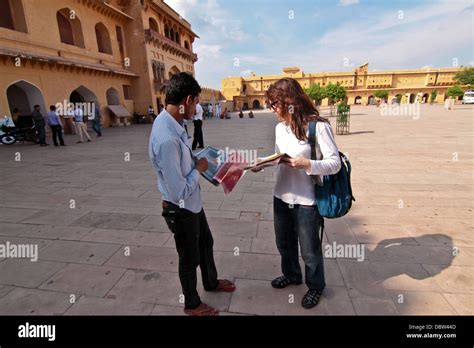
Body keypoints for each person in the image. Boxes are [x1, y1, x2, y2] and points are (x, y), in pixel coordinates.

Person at [148, 72, 236, 316]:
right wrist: (198, 169)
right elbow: (177, 191)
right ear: (187, 100)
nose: (197, 107)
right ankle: (192, 304)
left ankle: (210, 282)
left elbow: (181, 164)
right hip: (181, 207)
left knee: (206, 243)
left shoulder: (172, 122)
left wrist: (198, 161)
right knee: (189, 258)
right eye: (196, 102)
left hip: (193, 203)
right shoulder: (166, 138)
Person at [256, 77, 341, 309]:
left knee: (310, 250)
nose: (272, 109)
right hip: (281, 196)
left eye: (275, 104)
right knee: (284, 243)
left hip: (306, 201)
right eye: (270, 105)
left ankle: (315, 286)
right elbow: (279, 157)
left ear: (290, 101)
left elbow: (335, 163)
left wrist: (308, 164)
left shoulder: (318, 126)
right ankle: (292, 275)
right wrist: (262, 163)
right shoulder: (279, 128)